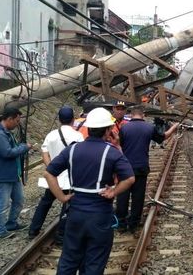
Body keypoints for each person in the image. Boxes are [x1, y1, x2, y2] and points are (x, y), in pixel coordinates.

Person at [45, 107, 135, 274]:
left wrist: (62, 197)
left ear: (89, 128)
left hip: (75, 213)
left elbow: (49, 172)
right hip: (100, 215)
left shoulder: (72, 149)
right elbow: (129, 178)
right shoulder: (112, 152)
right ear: (108, 130)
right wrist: (114, 192)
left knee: (69, 259)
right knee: (95, 261)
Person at [115, 107, 178, 233]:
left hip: (125, 167)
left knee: (123, 195)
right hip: (141, 167)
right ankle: (134, 223)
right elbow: (163, 137)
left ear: (131, 115)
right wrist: (174, 127)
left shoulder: (124, 128)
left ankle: (121, 223)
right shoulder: (149, 127)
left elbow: (118, 145)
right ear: (142, 115)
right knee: (138, 196)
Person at [28, 106, 84, 242]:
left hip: (54, 177)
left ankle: (33, 229)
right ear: (73, 119)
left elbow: (44, 153)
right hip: (70, 178)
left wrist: (52, 169)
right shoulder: (77, 136)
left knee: (45, 202)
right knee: (68, 205)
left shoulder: (51, 135)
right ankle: (61, 235)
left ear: (59, 119)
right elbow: (80, 156)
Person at [0, 106, 33, 239]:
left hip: (11, 173)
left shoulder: (6, 133)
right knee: (3, 202)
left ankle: (11, 223)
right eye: (16, 121)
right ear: (9, 119)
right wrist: (24, 147)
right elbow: (7, 152)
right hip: (2, 174)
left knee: (19, 200)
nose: (18, 124)